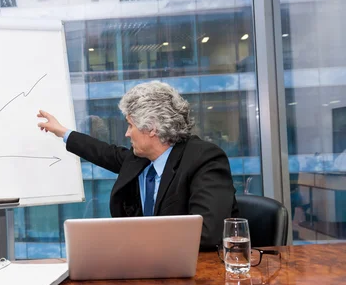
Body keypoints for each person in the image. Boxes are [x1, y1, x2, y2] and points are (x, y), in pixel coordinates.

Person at [37, 81, 238, 251]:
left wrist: (137, 243)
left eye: (130, 125)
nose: (127, 133)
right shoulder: (140, 159)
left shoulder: (204, 160)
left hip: (193, 276)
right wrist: (62, 132)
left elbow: (208, 233)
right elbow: (104, 152)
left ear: (151, 128)